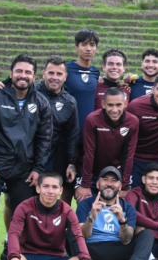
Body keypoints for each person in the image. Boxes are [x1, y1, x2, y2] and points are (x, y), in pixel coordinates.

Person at [0, 54, 52, 260]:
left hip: (24, 168)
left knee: (22, 214)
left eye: (27, 72)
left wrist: (38, 169)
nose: (23, 75)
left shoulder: (41, 102)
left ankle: (14, 253)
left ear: (34, 76)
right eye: (19, 71)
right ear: (11, 73)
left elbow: (45, 138)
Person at [0, 170, 111, 260]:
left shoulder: (67, 210)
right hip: (29, 257)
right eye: (46, 186)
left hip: (57, 259)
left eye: (54, 187)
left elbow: (77, 237)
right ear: (38, 188)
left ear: (60, 191)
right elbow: (14, 233)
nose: (50, 191)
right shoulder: (24, 207)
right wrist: (13, 256)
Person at [75, 166, 153, 260]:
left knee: (147, 234)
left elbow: (126, 240)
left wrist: (122, 220)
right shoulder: (86, 204)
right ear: (98, 184)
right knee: (70, 233)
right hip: (93, 251)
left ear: (120, 186)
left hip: (119, 252)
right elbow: (82, 236)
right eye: (105, 179)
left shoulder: (127, 207)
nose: (109, 184)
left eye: (114, 180)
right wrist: (91, 217)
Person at [76, 87, 139, 202]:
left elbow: (129, 155)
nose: (114, 110)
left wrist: (124, 186)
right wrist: (85, 184)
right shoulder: (92, 119)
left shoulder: (133, 121)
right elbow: (89, 153)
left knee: (120, 204)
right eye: (110, 105)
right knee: (83, 200)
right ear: (103, 104)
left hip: (116, 173)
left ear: (125, 104)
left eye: (118, 105)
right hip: (94, 172)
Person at [35, 56, 80, 202]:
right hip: (28, 158)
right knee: (15, 201)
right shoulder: (31, 93)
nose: (54, 77)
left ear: (65, 77)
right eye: (51, 73)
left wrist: (72, 163)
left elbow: (73, 135)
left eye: (59, 74)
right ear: (44, 74)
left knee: (50, 200)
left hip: (54, 159)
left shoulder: (69, 102)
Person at [65, 29, 101, 133]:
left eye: (92, 45)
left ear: (96, 49)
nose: (88, 48)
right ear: (76, 48)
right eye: (84, 44)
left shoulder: (95, 72)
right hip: (69, 129)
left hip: (89, 130)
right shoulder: (66, 69)